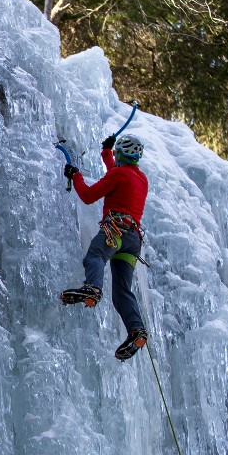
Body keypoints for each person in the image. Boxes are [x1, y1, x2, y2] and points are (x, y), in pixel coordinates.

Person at [60, 133, 149, 361]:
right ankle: (136, 330)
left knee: (95, 257)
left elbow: (89, 196)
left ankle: (92, 288)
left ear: (121, 154)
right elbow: (117, 174)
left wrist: (76, 175)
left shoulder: (118, 174)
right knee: (122, 291)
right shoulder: (141, 179)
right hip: (132, 241)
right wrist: (106, 153)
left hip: (115, 231)